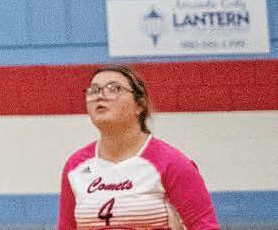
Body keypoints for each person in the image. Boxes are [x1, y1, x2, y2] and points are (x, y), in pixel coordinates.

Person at [57, 65, 218, 230]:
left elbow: (206, 226)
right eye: (93, 90)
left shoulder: (172, 164)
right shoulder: (75, 166)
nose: (100, 96)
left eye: (114, 89)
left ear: (140, 105)